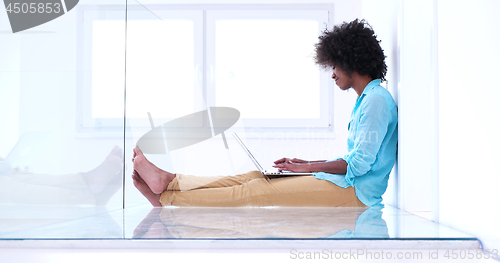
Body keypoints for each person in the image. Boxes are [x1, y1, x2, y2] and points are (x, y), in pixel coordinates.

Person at [132, 18, 397, 208]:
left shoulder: (375, 102)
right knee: (254, 177)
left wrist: (302, 168)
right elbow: (355, 158)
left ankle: (166, 199)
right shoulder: (368, 100)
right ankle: (171, 181)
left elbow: (358, 166)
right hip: (348, 184)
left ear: (351, 60)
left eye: (336, 65)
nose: (333, 73)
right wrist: (303, 165)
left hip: (356, 194)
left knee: (256, 191)